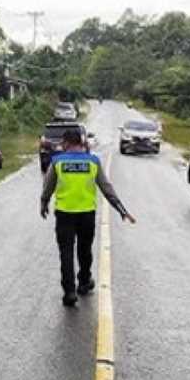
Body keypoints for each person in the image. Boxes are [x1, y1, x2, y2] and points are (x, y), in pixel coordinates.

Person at [40, 129, 136, 307]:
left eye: (63, 143)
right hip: (86, 215)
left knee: (66, 253)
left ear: (66, 142)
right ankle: (84, 282)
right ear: (81, 141)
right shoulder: (93, 162)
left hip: (64, 215)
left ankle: (69, 291)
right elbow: (106, 188)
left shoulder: (57, 162)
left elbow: (48, 186)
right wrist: (121, 209)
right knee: (84, 250)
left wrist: (44, 203)